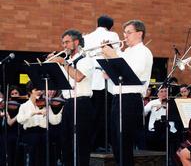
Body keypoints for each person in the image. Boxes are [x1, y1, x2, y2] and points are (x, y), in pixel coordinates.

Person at [102, 20, 153, 165]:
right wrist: (108, 56)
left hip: (130, 99)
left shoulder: (143, 51)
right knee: (116, 141)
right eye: (124, 32)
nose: (125, 36)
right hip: (118, 98)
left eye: (129, 32)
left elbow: (131, 73)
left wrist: (112, 54)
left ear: (139, 33)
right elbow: (114, 74)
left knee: (124, 142)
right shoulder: (127, 52)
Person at [49, 29, 95, 166]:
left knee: (81, 143)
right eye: (63, 43)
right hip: (68, 103)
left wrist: (63, 63)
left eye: (67, 42)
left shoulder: (86, 59)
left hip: (82, 103)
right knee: (66, 142)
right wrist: (52, 66)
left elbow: (79, 77)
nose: (64, 46)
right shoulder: (68, 61)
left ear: (76, 42)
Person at [83, 15, 120, 150]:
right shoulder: (113, 35)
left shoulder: (86, 37)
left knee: (92, 114)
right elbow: (117, 54)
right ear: (110, 26)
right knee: (104, 115)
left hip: (90, 80)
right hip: (105, 80)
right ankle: (102, 143)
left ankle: (91, 143)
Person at [16, 81, 62, 166]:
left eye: (41, 89)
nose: (40, 92)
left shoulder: (45, 104)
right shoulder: (24, 106)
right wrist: (33, 113)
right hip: (30, 133)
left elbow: (54, 121)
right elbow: (19, 120)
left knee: (49, 139)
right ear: (30, 92)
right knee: (36, 139)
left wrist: (62, 110)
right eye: (36, 89)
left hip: (44, 132)